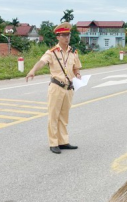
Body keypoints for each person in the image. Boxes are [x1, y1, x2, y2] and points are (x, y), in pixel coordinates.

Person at [26, 22, 82, 154]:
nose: (66, 38)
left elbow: (76, 67)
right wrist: (33, 70)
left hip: (69, 88)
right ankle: (53, 143)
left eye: (68, 35)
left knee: (64, 116)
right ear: (58, 37)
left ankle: (63, 142)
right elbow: (42, 62)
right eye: (63, 35)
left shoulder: (73, 52)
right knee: (53, 116)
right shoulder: (52, 53)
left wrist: (78, 74)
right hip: (56, 87)